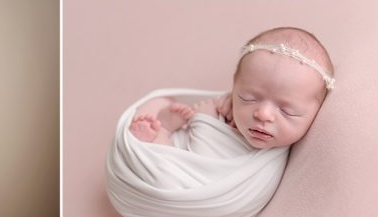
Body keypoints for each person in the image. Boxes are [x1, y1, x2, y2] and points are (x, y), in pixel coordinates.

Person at [130, 26, 334, 149]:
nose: (263, 114)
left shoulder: (281, 151)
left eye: (287, 110)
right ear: (234, 86)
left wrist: (208, 118)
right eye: (248, 97)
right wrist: (223, 106)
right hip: (185, 151)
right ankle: (162, 131)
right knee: (163, 106)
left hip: (195, 177)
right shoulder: (226, 110)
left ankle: (158, 138)